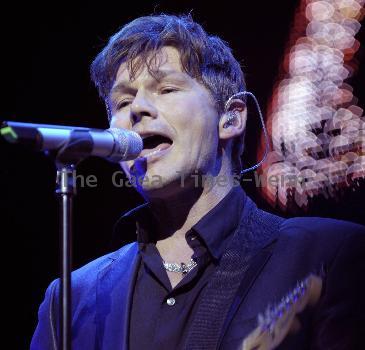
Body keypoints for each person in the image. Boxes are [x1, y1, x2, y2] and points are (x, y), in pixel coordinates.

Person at [31, 14, 365, 350]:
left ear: (230, 118)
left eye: (166, 89)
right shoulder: (71, 298)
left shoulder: (326, 257)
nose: (138, 110)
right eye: (123, 101)